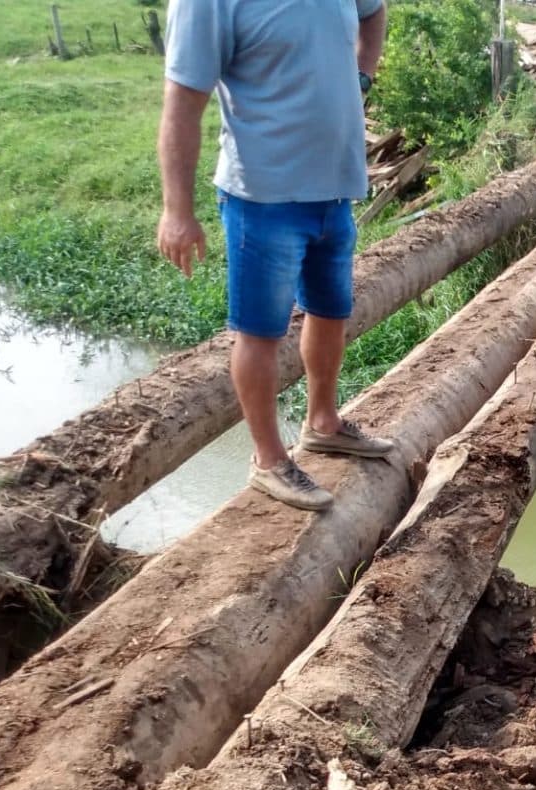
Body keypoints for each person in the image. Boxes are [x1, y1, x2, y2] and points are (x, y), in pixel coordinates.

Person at [157, 0, 394, 511]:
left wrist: (362, 76)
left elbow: (374, 13)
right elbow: (181, 102)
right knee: (260, 330)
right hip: (262, 198)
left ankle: (323, 423)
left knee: (331, 311)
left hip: (334, 187)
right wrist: (177, 211)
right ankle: (268, 459)